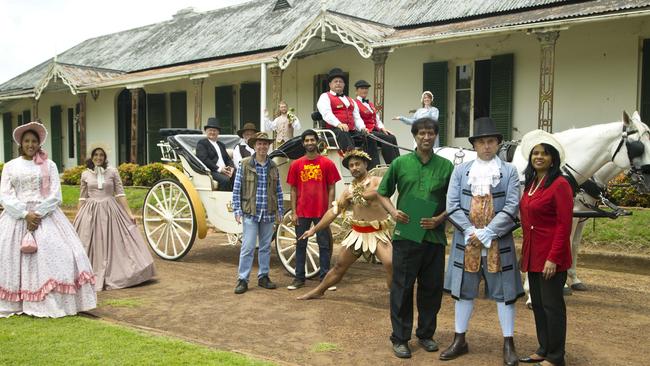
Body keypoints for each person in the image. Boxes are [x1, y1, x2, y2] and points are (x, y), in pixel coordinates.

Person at [440, 117, 522, 366]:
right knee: (464, 291)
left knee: (504, 293)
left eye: (491, 141)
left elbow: (512, 205)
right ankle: (459, 339)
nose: (486, 146)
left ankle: (509, 343)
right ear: (474, 145)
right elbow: (451, 206)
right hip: (467, 242)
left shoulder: (509, 172)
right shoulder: (460, 171)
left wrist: (490, 232)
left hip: (499, 242)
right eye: (481, 142)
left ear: (498, 144)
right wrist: (470, 231)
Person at [0, 121, 96, 318]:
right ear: (20, 143)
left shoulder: (49, 165)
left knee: (65, 254)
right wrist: (25, 214)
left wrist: (38, 213)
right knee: (10, 259)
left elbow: (56, 195)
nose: (30, 144)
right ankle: (17, 300)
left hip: (45, 217)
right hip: (16, 218)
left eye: (34, 141)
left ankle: (51, 300)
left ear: (39, 144)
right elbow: (5, 196)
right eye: (26, 141)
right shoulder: (10, 166)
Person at [376, 117, 453, 359]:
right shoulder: (400, 163)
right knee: (402, 288)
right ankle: (400, 338)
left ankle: (426, 334)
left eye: (430, 133)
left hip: (434, 237)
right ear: (415, 136)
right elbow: (382, 193)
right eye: (421, 133)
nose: (426, 137)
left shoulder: (446, 166)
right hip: (406, 235)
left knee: (431, 289)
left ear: (435, 135)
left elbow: (455, 201)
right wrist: (393, 212)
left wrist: (440, 219)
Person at [296, 150, 392, 300]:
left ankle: (396, 296)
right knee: (339, 266)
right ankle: (319, 290)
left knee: (391, 263)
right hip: (357, 234)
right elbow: (333, 212)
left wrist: (358, 195)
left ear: (365, 164)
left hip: (377, 232)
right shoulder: (348, 190)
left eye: (357, 164)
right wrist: (313, 229)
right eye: (351, 165)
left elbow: (379, 192)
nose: (354, 167)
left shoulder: (377, 181)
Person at [518, 130, 573, 366]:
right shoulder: (532, 183)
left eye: (544, 154)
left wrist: (553, 258)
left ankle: (556, 356)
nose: (539, 157)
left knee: (553, 307)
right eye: (535, 153)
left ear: (553, 159)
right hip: (533, 253)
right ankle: (543, 347)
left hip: (551, 256)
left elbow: (564, 225)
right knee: (538, 304)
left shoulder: (560, 184)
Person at [73, 144, 156, 291]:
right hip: (90, 212)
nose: (98, 157)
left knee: (116, 242)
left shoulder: (112, 172)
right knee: (88, 241)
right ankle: (89, 273)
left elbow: (120, 194)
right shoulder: (85, 174)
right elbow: (82, 197)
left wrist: (129, 213)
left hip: (110, 209)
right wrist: (77, 217)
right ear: (91, 157)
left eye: (101, 155)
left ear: (105, 157)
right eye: (96, 155)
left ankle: (118, 273)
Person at [286, 129, 341, 290]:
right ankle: (299, 278)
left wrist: (330, 210)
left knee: (324, 245)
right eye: (307, 140)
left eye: (312, 140)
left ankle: (324, 279)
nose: (310, 143)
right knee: (300, 244)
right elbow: (293, 190)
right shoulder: (296, 164)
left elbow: (332, 187)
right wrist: (294, 212)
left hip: (321, 212)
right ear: (303, 143)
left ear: (317, 142)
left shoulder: (327, 163)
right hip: (302, 211)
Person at [232, 132, 284, 294]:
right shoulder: (245, 164)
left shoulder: (273, 166)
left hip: (268, 212)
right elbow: (237, 188)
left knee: (265, 247)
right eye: (259, 144)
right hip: (250, 212)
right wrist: (237, 209)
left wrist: (280, 210)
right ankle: (243, 279)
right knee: (247, 247)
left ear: (269, 146)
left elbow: (278, 190)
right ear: (254, 146)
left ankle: (263, 277)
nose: (262, 147)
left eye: (265, 144)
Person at [316, 67, 368, 152]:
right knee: (343, 133)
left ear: (344, 85)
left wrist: (362, 128)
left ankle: (371, 162)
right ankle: (351, 158)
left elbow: (357, 118)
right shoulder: (325, 96)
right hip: (334, 130)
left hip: (351, 130)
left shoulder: (350, 100)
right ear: (330, 84)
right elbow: (327, 114)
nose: (338, 83)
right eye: (335, 81)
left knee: (368, 137)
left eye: (340, 82)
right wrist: (339, 124)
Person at [353, 80, 400, 169]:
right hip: (365, 131)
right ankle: (392, 166)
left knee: (391, 136)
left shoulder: (370, 104)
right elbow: (357, 119)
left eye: (366, 88)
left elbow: (377, 118)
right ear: (356, 91)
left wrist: (383, 128)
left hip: (374, 130)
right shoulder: (355, 103)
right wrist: (363, 128)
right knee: (386, 138)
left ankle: (398, 163)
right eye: (362, 88)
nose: (365, 90)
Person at [196, 117, 236, 190]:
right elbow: (204, 159)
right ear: (206, 131)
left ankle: (236, 197)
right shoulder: (202, 143)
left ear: (218, 132)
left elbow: (228, 159)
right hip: (211, 171)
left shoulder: (221, 145)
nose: (212, 132)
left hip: (224, 170)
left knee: (237, 175)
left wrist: (231, 167)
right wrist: (220, 169)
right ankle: (224, 200)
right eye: (210, 130)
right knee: (225, 180)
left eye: (214, 130)